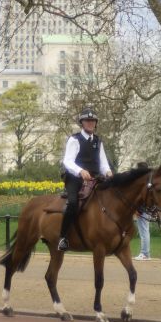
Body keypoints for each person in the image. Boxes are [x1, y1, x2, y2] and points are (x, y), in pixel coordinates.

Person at [57, 106, 112, 251]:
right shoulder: (74, 140)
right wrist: (80, 171)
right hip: (75, 179)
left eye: (93, 121)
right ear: (82, 123)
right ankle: (63, 237)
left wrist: (108, 173)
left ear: (96, 123)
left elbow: (103, 164)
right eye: (87, 121)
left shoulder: (98, 141)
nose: (90, 123)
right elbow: (68, 161)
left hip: (95, 179)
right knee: (73, 203)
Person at [134, 161, 151, 260]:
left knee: (143, 231)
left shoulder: (143, 181)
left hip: (142, 210)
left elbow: (141, 198)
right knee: (145, 231)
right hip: (147, 209)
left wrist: (138, 210)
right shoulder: (149, 181)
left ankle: (145, 253)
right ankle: (145, 253)